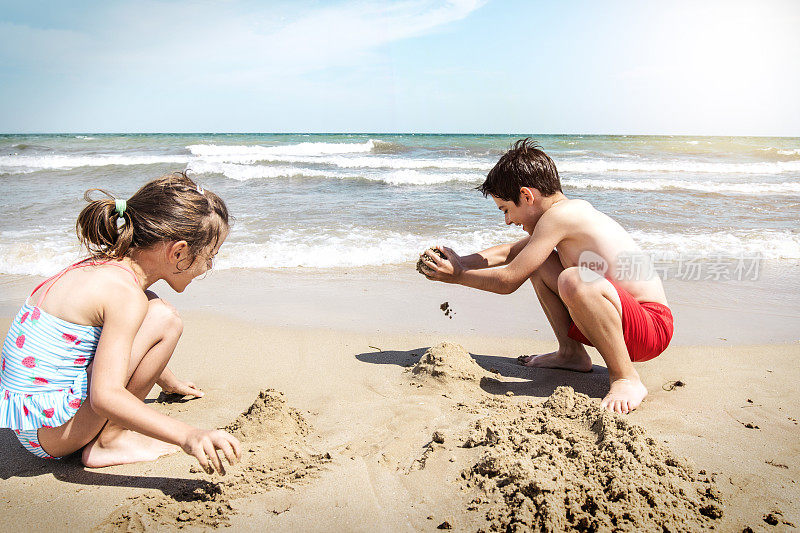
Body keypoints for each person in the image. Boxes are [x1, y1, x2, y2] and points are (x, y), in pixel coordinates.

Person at [0, 172, 241, 471]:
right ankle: (110, 440)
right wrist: (188, 435)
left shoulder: (106, 268)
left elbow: (112, 344)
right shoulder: (126, 297)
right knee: (165, 318)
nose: (208, 266)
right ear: (178, 251)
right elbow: (104, 397)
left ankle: (108, 435)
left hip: (27, 419)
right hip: (52, 435)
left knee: (153, 307)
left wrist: (169, 382)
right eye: (210, 256)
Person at [419, 139, 673, 414]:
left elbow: (508, 280)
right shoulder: (560, 215)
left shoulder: (562, 216)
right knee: (540, 263)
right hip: (622, 319)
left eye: (506, 209)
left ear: (527, 196)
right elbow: (509, 252)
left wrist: (458, 276)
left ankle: (626, 377)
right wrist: (459, 261)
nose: (507, 221)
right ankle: (571, 353)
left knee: (574, 280)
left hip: (651, 325)